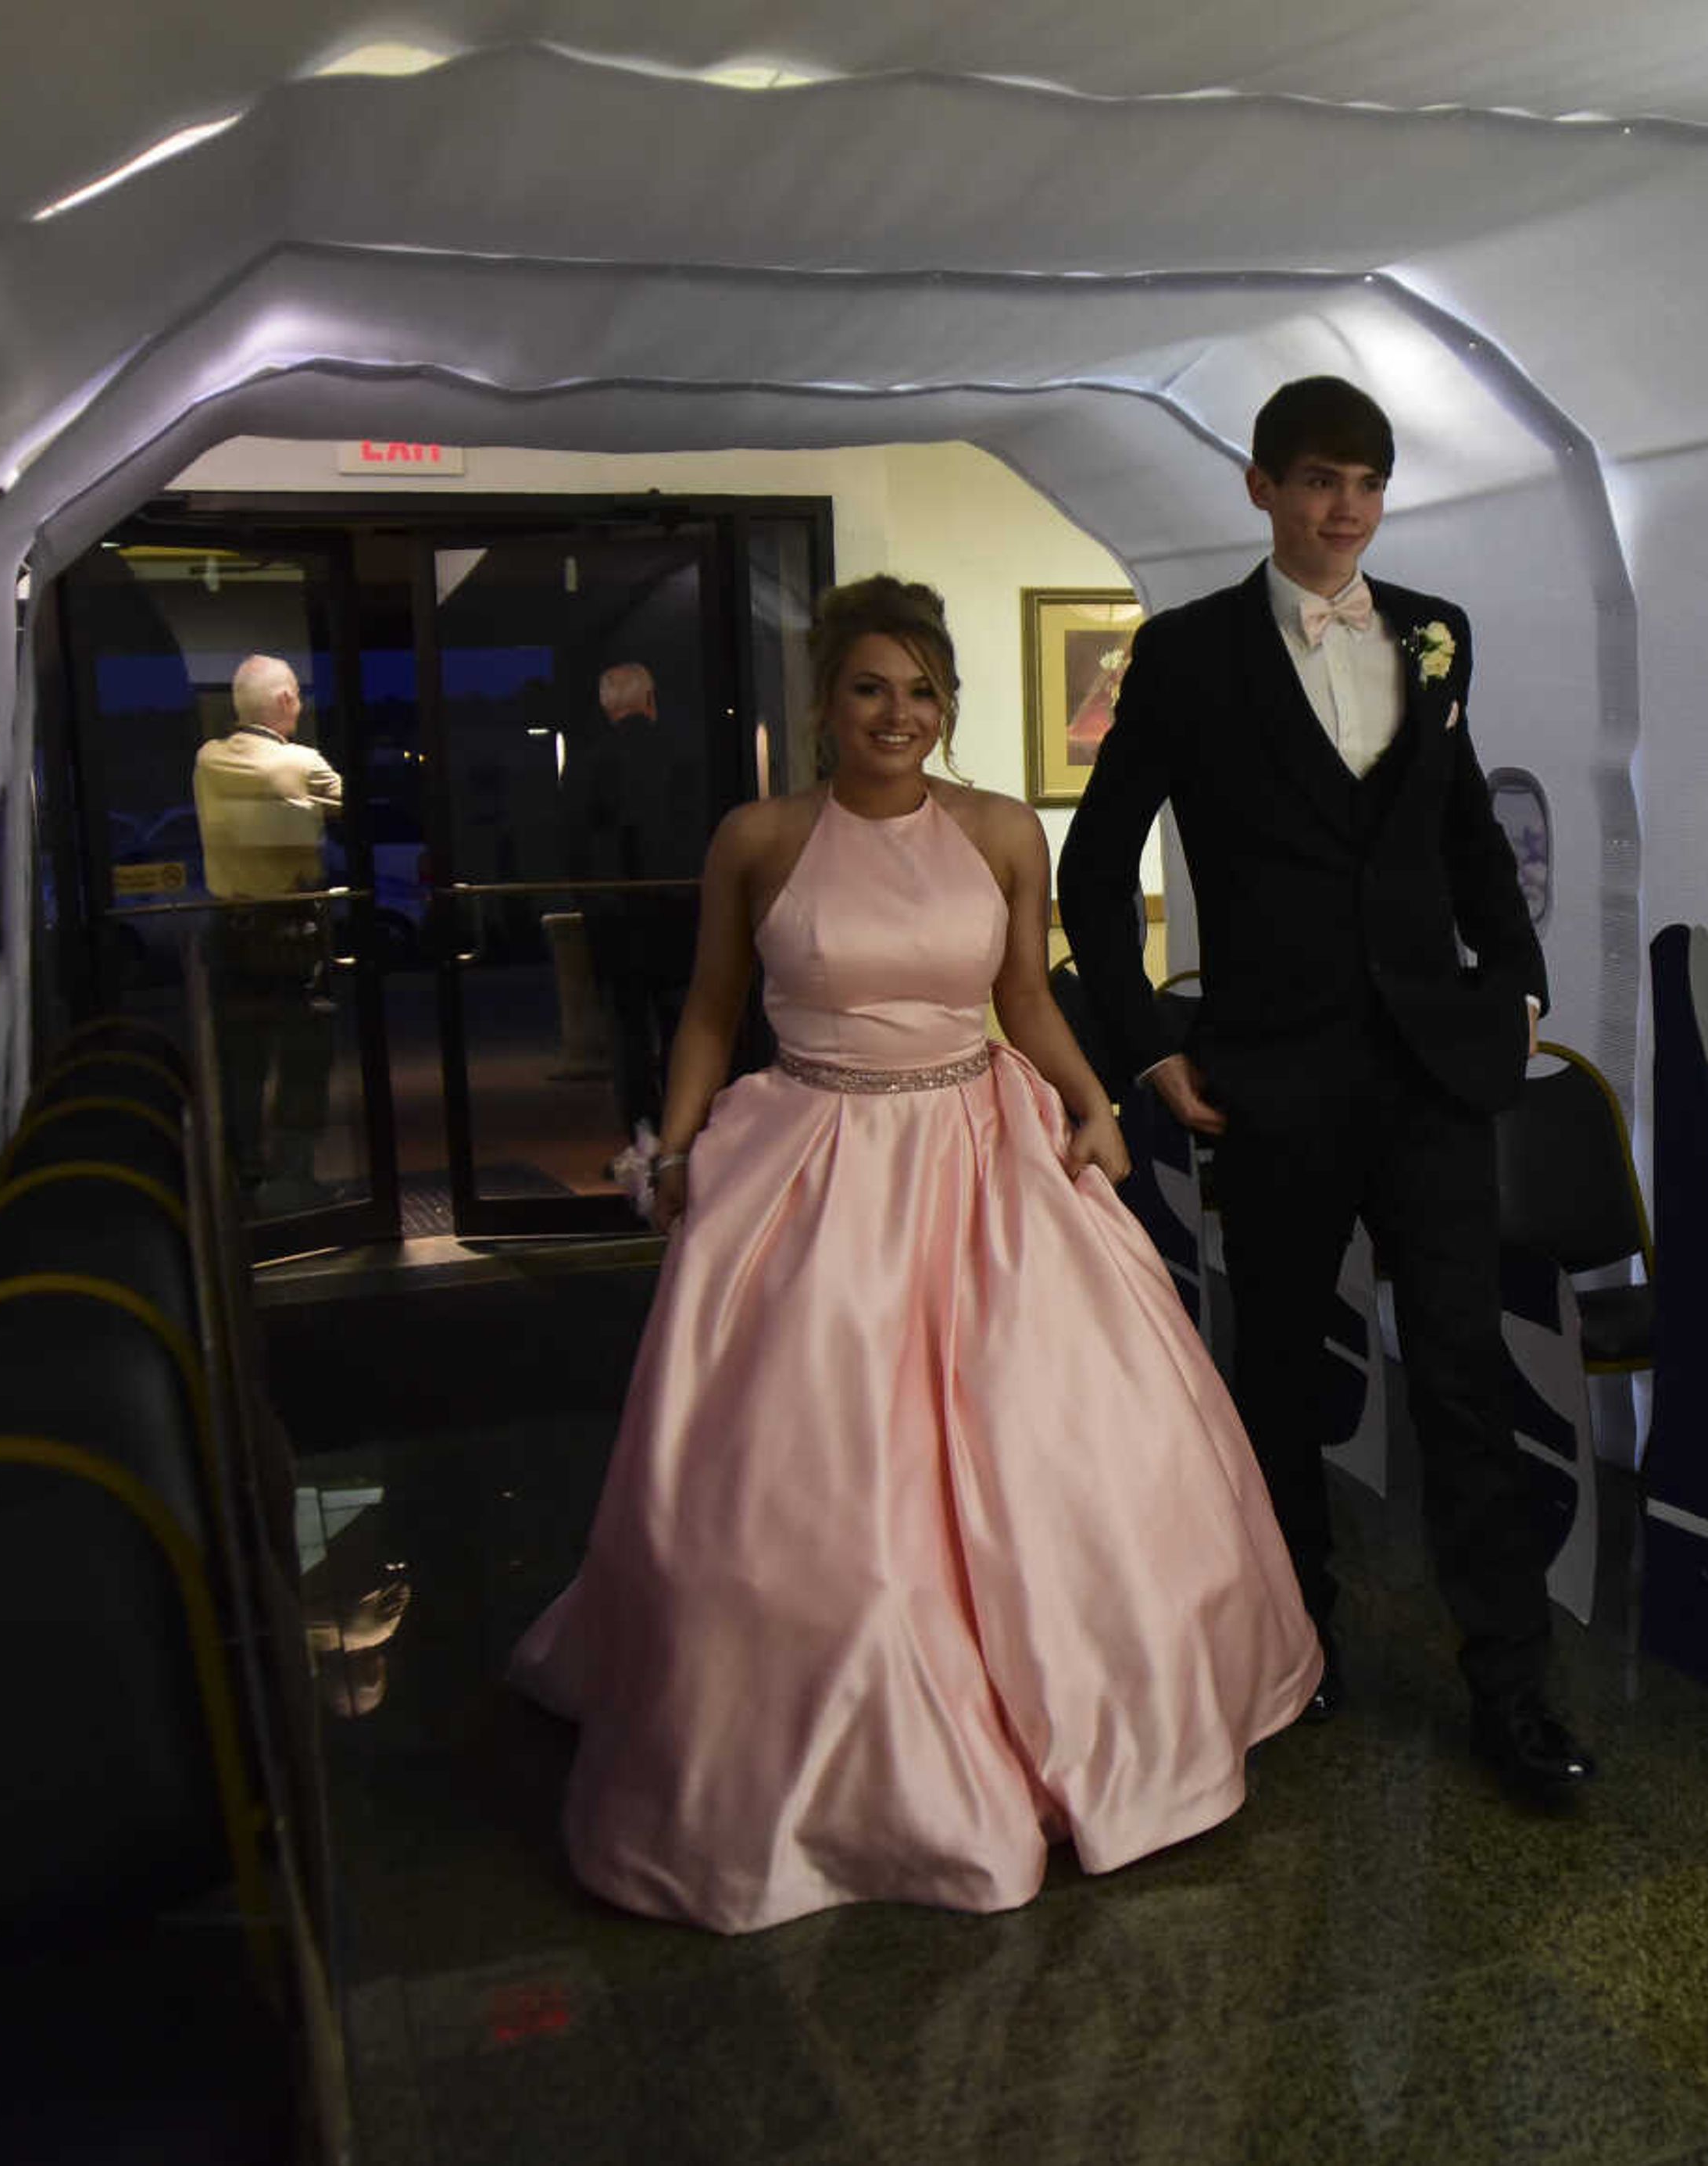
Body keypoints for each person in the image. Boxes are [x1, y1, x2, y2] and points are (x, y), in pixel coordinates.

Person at [510, 577, 1321, 1935]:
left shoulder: (1002, 831)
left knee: (1050, 1433)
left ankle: (1086, 1724)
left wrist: (1094, 1103)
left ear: (949, 705)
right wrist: (681, 1141)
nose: (901, 714)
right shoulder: (760, 838)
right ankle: (827, 1751)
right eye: (873, 687)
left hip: (980, 1144)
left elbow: (1023, 995)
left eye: (924, 690)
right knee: (813, 1465)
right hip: (812, 1158)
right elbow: (714, 1007)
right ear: (825, 702)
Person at [1056, 376, 1595, 1800]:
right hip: (1269, 1073)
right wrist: (1150, 1047)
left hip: (1432, 1067)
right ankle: (1299, 1645)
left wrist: (1523, 974)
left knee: (1467, 1381)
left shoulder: (1435, 634)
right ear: (1258, 488)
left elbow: (1465, 822)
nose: (1342, 509)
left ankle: (1511, 1688)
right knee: (1283, 1375)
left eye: (1364, 482)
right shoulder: (1180, 656)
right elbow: (1093, 869)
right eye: (1313, 481)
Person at [193, 654, 341, 1209]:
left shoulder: (207, 760)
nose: (300, 705)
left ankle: (244, 1176)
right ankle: (294, 1177)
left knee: (241, 1062)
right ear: (283, 701)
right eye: (297, 696)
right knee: (304, 1057)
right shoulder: (302, 762)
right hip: (294, 937)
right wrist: (299, 810)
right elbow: (350, 810)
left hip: (229, 934)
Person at [558, 660, 709, 1172]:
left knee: (627, 1035)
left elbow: (574, 847)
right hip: (679, 914)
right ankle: (682, 1137)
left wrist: (592, 905)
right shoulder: (685, 755)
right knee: (681, 1027)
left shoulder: (585, 762)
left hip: (615, 922)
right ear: (651, 699)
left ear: (607, 706)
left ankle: (642, 1138)